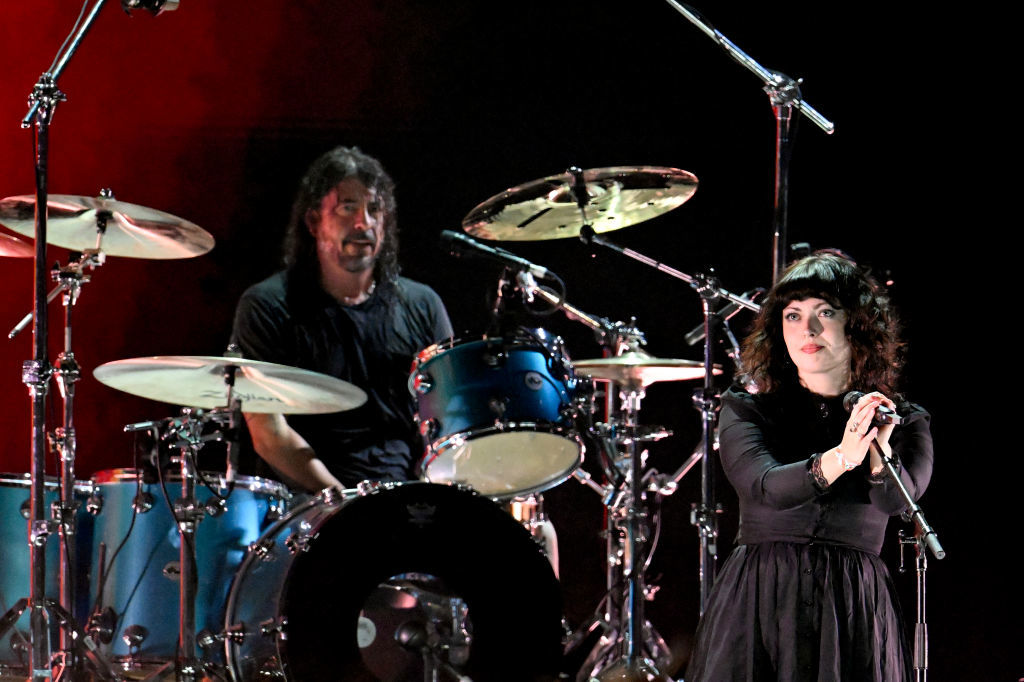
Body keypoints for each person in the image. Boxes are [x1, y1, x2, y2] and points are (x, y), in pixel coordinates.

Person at [685, 251, 934, 681]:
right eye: (793, 316)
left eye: (825, 312)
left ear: (856, 323)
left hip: (852, 603)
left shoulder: (904, 418)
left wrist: (876, 447)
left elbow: (896, 500)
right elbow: (764, 487)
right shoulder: (747, 410)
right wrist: (842, 457)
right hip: (762, 595)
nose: (808, 329)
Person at [230, 146, 453, 493]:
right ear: (314, 222)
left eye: (374, 210)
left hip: (407, 501)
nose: (363, 223)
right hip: (313, 505)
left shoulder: (422, 305)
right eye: (347, 208)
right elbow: (268, 435)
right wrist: (344, 505)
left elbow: (447, 421)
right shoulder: (269, 305)